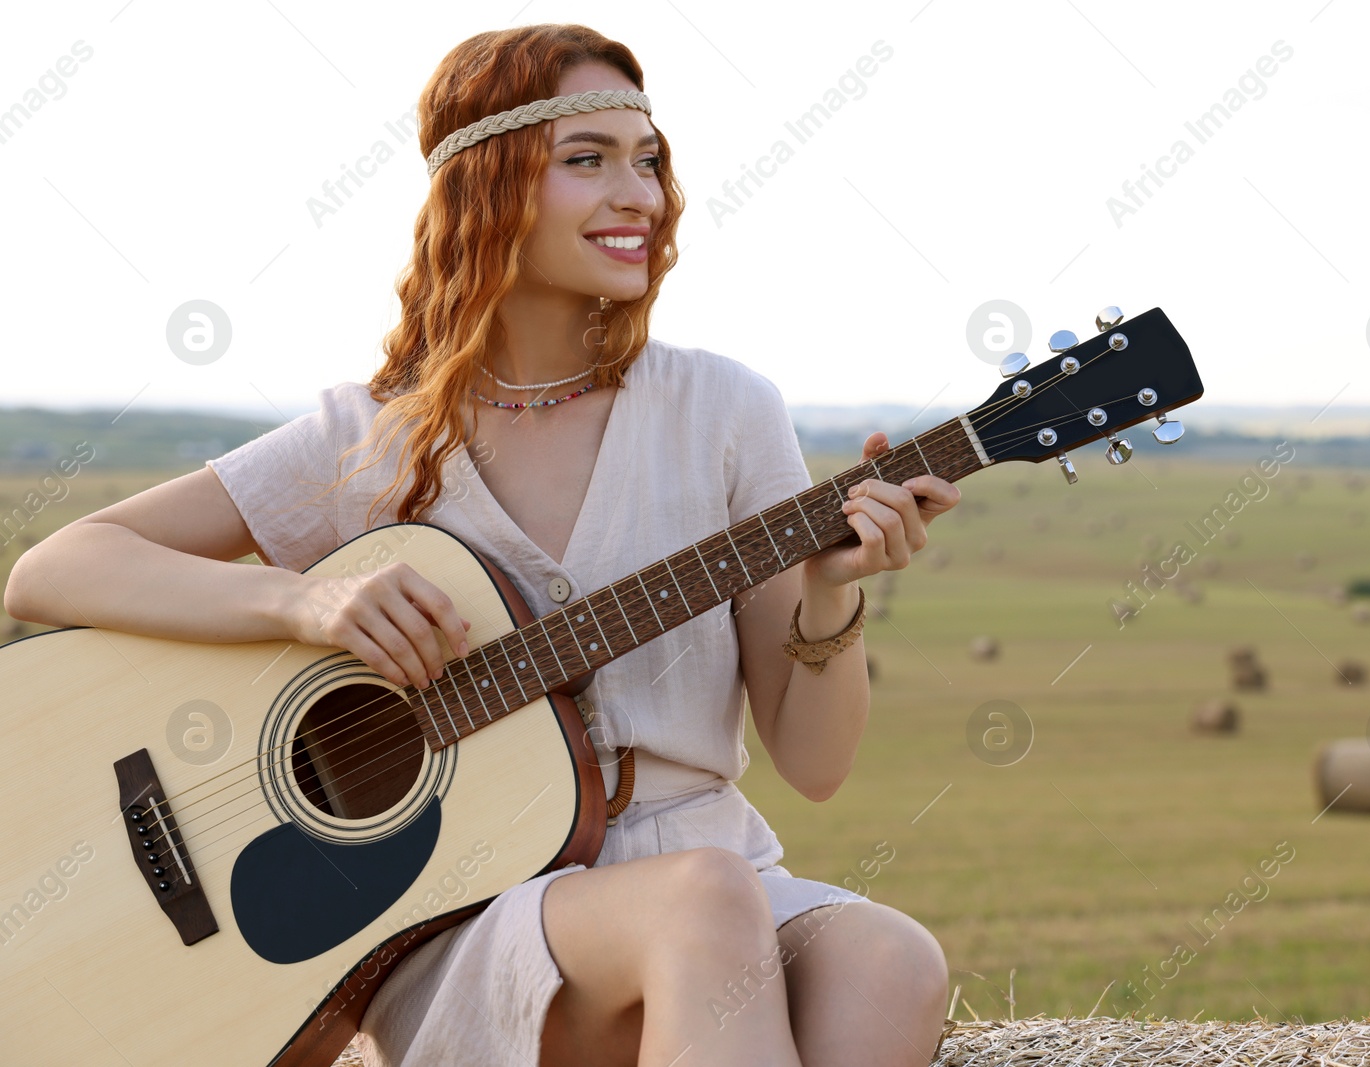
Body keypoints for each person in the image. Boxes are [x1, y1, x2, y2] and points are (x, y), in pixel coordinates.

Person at [3, 21, 961, 1067]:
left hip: (704, 857)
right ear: (485, 186)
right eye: (586, 160)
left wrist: (828, 594)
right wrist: (302, 604)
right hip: (462, 907)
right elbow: (53, 570)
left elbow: (816, 767)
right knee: (704, 905)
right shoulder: (367, 435)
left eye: (648, 160)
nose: (638, 193)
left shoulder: (725, 410)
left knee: (890, 959)